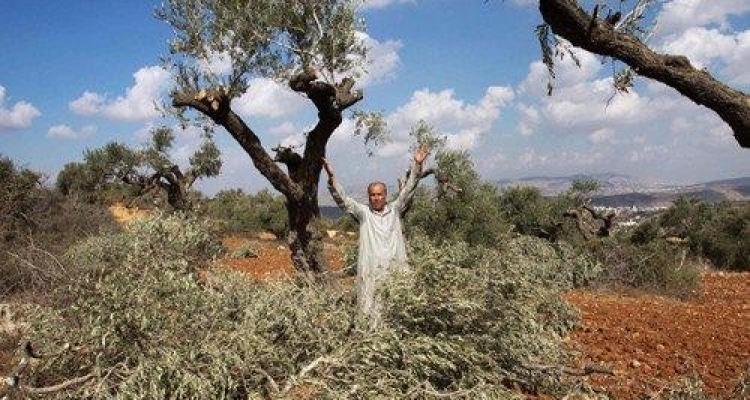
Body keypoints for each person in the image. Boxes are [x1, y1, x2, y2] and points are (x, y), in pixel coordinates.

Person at [322, 146, 430, 324]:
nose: (376, 198)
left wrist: (417, 165)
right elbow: (343, 201)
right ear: (369, 197)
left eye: (380, 194)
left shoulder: (395, 211)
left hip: (395, 272)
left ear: (386, 195)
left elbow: (408, 190)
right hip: (371, 273)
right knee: (369, 313)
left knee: (397, 313)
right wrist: (332, 177)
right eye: (373, 195)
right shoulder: (364, 214)